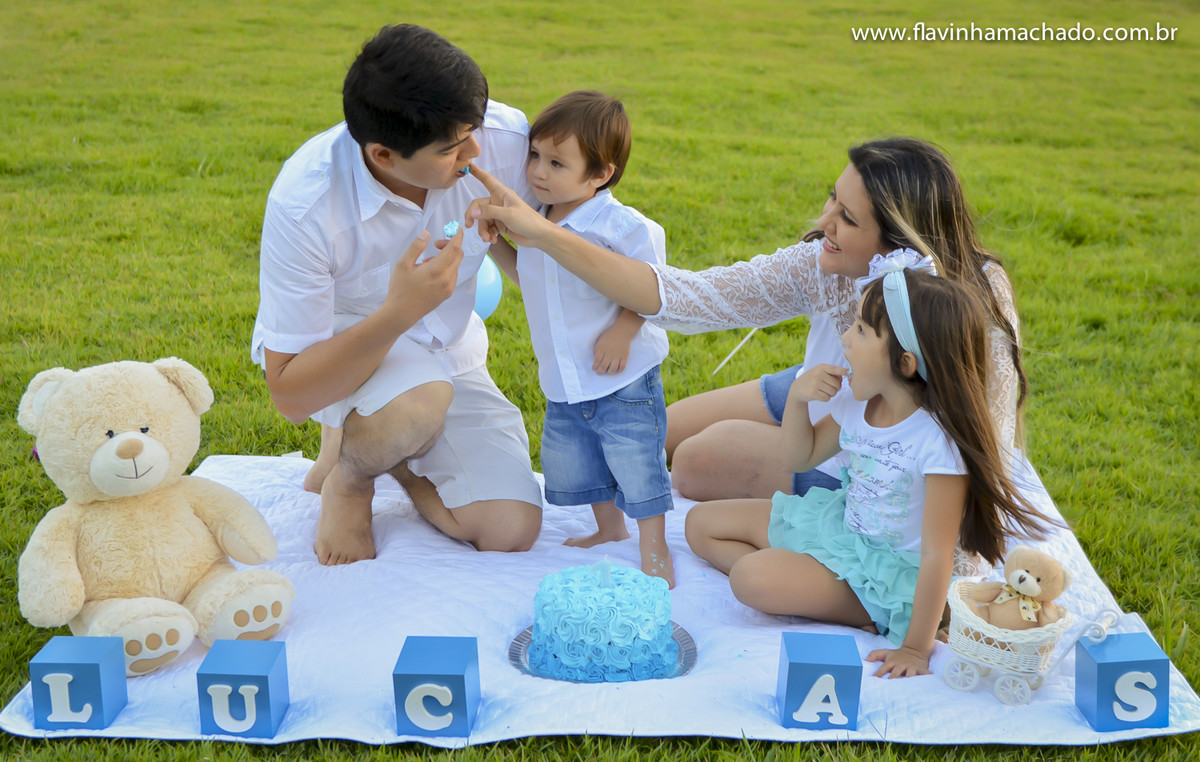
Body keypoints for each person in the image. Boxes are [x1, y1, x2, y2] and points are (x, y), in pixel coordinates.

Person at [465, 139, 1027, 517]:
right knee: (661, 430)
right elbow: (689, 297)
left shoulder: (976, 297)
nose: (824, 222)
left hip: (866, 450)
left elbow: (987, 447)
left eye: (848, 219)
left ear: (899, 244)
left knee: (694, 462)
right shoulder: (820, 263)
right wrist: (544, 235)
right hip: (817, 384)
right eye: (833, 197)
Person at [251, 24, 542, 565]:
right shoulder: (306, 204)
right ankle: (350, 480)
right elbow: (290, 394)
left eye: (475, 129)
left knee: (510, 527)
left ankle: (378, 446)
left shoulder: (505, 140)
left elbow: (559, 264)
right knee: (418, 403)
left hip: (447, 347)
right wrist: (400, 311)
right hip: (343, 347)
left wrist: (528, 235)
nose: (476, 151)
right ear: (383, 155)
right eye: (453, 147)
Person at [684, 267, 1055, 677]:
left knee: (748, 577)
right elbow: (799, 458)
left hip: (882, 576)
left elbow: (936, 556)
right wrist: (797, 401)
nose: (846, 337)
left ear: (905, 362)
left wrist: (915, 649)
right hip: (837, 530)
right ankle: (804, 582)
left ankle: (862, 610)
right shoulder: (859, 403)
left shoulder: (938, 445)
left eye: (861, 329)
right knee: (700, 525)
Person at [489, 91, 675, 586]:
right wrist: (494, 244)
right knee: (580, 459)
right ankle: (609, 528)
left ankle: (654, 543)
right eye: (534, 156)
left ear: (600, 175)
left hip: (623, 375)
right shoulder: (538, 219)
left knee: (635, 458)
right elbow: (529, 276)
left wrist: (623, 330)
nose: (538, 172)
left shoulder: (623, 227)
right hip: (567, 374)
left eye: (556, 163)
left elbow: (654, 286)